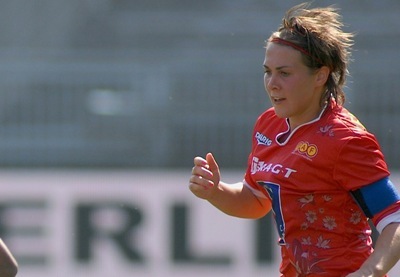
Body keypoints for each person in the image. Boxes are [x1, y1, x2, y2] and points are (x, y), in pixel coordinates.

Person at [189, 3, 400, 277]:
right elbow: (256, 200)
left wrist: (371, 270)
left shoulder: (346, 140)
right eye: (268, 71)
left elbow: (394, 218)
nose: (272, 83)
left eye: (284, 73)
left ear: (320, 76)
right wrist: (215, 191)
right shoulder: (269, 123)